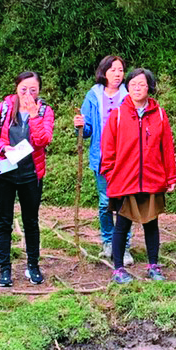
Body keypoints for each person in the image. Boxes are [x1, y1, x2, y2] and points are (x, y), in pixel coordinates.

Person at [99, 67, 176, 284]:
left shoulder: (160, 115)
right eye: (133, 84)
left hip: (152, 179)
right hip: (125, 180)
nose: (137, 88)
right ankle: (118, 270)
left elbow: (167, 149)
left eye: (142, 84)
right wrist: (109, 174)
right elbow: (108, 149)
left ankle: (153, 266)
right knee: (122, 225)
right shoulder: (117, 115)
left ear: (149, 87)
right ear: (127, 87)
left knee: (151, 224)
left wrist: (171, 177)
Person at [0, 71, 55, 287]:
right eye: (23, 89)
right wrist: (3, 147)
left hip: (31, 174)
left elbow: (43, 140)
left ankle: (33, 266)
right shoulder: (3, 108)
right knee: (3, 221)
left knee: (31, 222)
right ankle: (4, 269)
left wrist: (33, 116)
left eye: (33, 90)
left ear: (39, 90)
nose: (28, 94)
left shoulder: (44, 111)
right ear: (16, 88)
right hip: (4, 172)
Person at [73, 55, 127, 255]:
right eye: (113, 70)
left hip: (125, 159)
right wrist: (80, 124)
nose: (117, 74)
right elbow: (86, 130)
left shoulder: (128, 96)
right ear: (104, 72)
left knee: (123, 203)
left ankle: (124, 246)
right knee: (105, 202)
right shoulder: (93, 95)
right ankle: (108, 242)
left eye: (120, 70)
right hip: (102, 157)